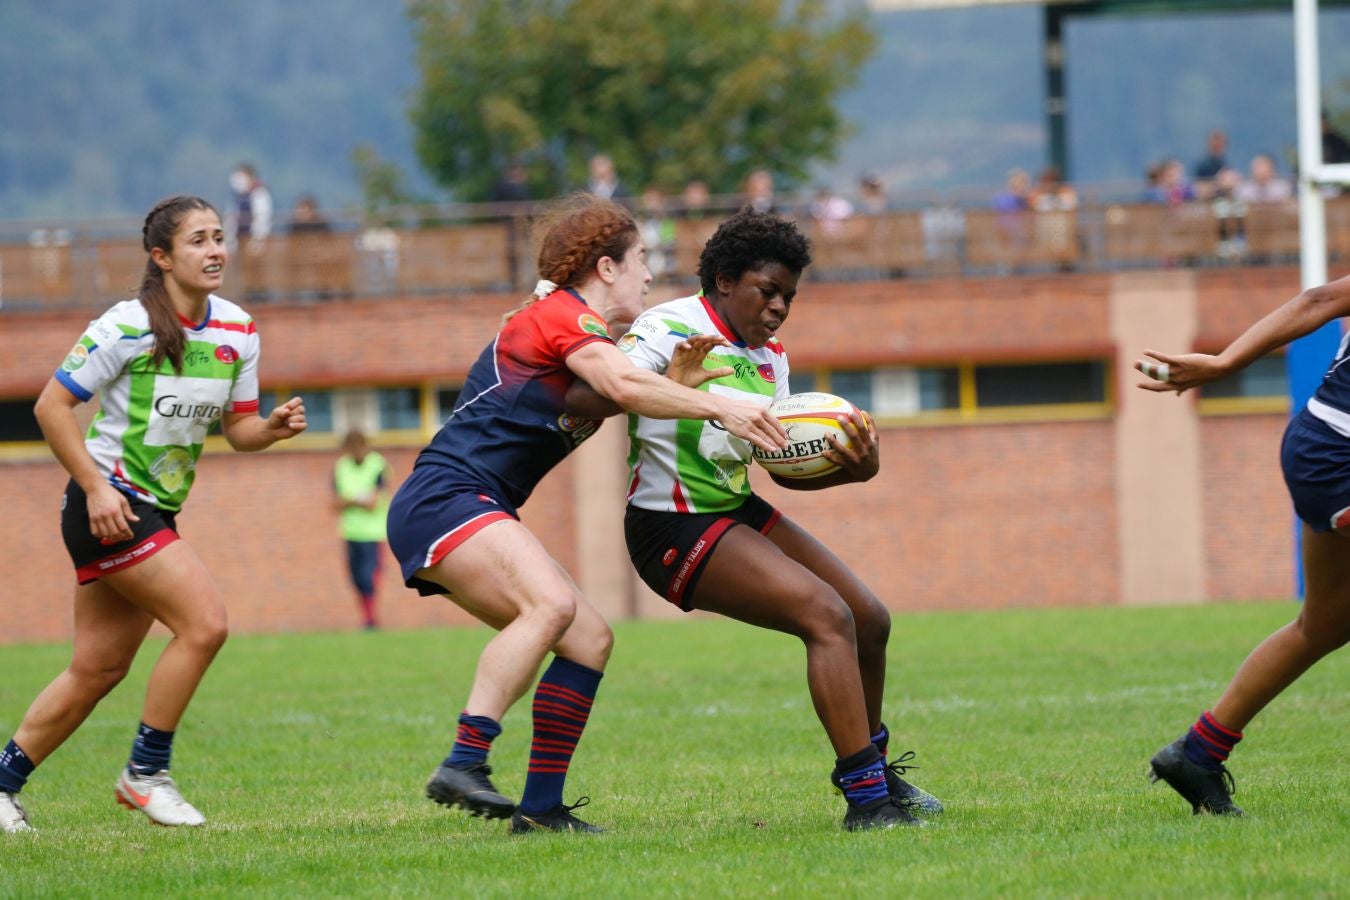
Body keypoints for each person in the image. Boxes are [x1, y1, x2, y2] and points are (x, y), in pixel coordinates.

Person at [385, 196, 787, 835]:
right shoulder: (561, 315)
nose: (649, 275)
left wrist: (677, 381)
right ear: (606, 267)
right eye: (641, 259)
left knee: (589, 639)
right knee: (549, 607)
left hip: (468, 503)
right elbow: (623, 387)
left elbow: (613, 394)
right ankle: (464, 760)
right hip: (446, 497)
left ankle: (541, 811)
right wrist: (723, 406)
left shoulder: (586, 338)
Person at [567, 210, 943, 831]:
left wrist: (855, 469)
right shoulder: (667, 326)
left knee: (869, 618)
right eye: (767, 291)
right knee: (827, 618)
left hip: (734, 507)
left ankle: (875, 768)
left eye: (788, 296)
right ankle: (867, 800)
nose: (779, 308)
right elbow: (594, 393)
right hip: (670, 524)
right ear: (724, 280)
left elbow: (780, 464)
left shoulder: (771, 359)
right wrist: (671, 382)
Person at [0, 195, 307, 834]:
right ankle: (146, 774)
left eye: (219, 237)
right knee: (205, 623)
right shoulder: (124, 325)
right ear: (161, 258)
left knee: (97, 669)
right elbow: (51, 408)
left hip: (153, 512)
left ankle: (2, 783)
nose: (215, 250)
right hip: (108, 507)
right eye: (198, 240)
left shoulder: (238, 329)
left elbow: (239, 430)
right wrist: (96, 489)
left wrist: (271, 429)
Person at [1136, 273, 1350, 816]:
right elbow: (1322, 299)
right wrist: (1225, 361)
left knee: (1325, 624)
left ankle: (1197, 754)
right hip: (1337, 454)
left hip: (1322, 446)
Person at [332, 430, 390, 630]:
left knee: (368, 577)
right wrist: (359, 499)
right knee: (356, 579)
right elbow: (335, 504)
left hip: (373, 533)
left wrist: (349, 500)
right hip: (350, 532)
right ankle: (367, 618)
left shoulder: (377, 465)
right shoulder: (341, 467)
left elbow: (373, 502)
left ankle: (370, 619)